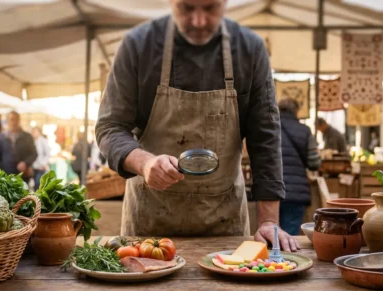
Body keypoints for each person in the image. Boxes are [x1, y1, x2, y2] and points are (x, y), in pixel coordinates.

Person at [96, 0, 299, 251]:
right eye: (187, 8)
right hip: (150, 223)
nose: (199, 21)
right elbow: (109, 127)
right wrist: (144, 162)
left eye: (210, 8)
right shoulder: (138, 46)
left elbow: (265, 138)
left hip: (224, 222)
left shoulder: (249, 49)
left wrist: (269, 221)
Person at [278, 98, 321, 235]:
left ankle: (268, 257)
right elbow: (314, 163)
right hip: (296, 191)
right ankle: (288, 257)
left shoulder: (268, 127)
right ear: (296, 111)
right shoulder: (304, 130)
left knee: (269, 235)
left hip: (270, 189)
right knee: (290, 236)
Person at [0, 111, 37, 181]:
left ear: (19, 121)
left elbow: (34, 154)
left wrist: (25, 163)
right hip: (6, 177)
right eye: (11, 119)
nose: (14, 122)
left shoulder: (27, 137)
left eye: (16, 119)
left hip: (23, 176)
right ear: (7, 121)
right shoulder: (2, 137)